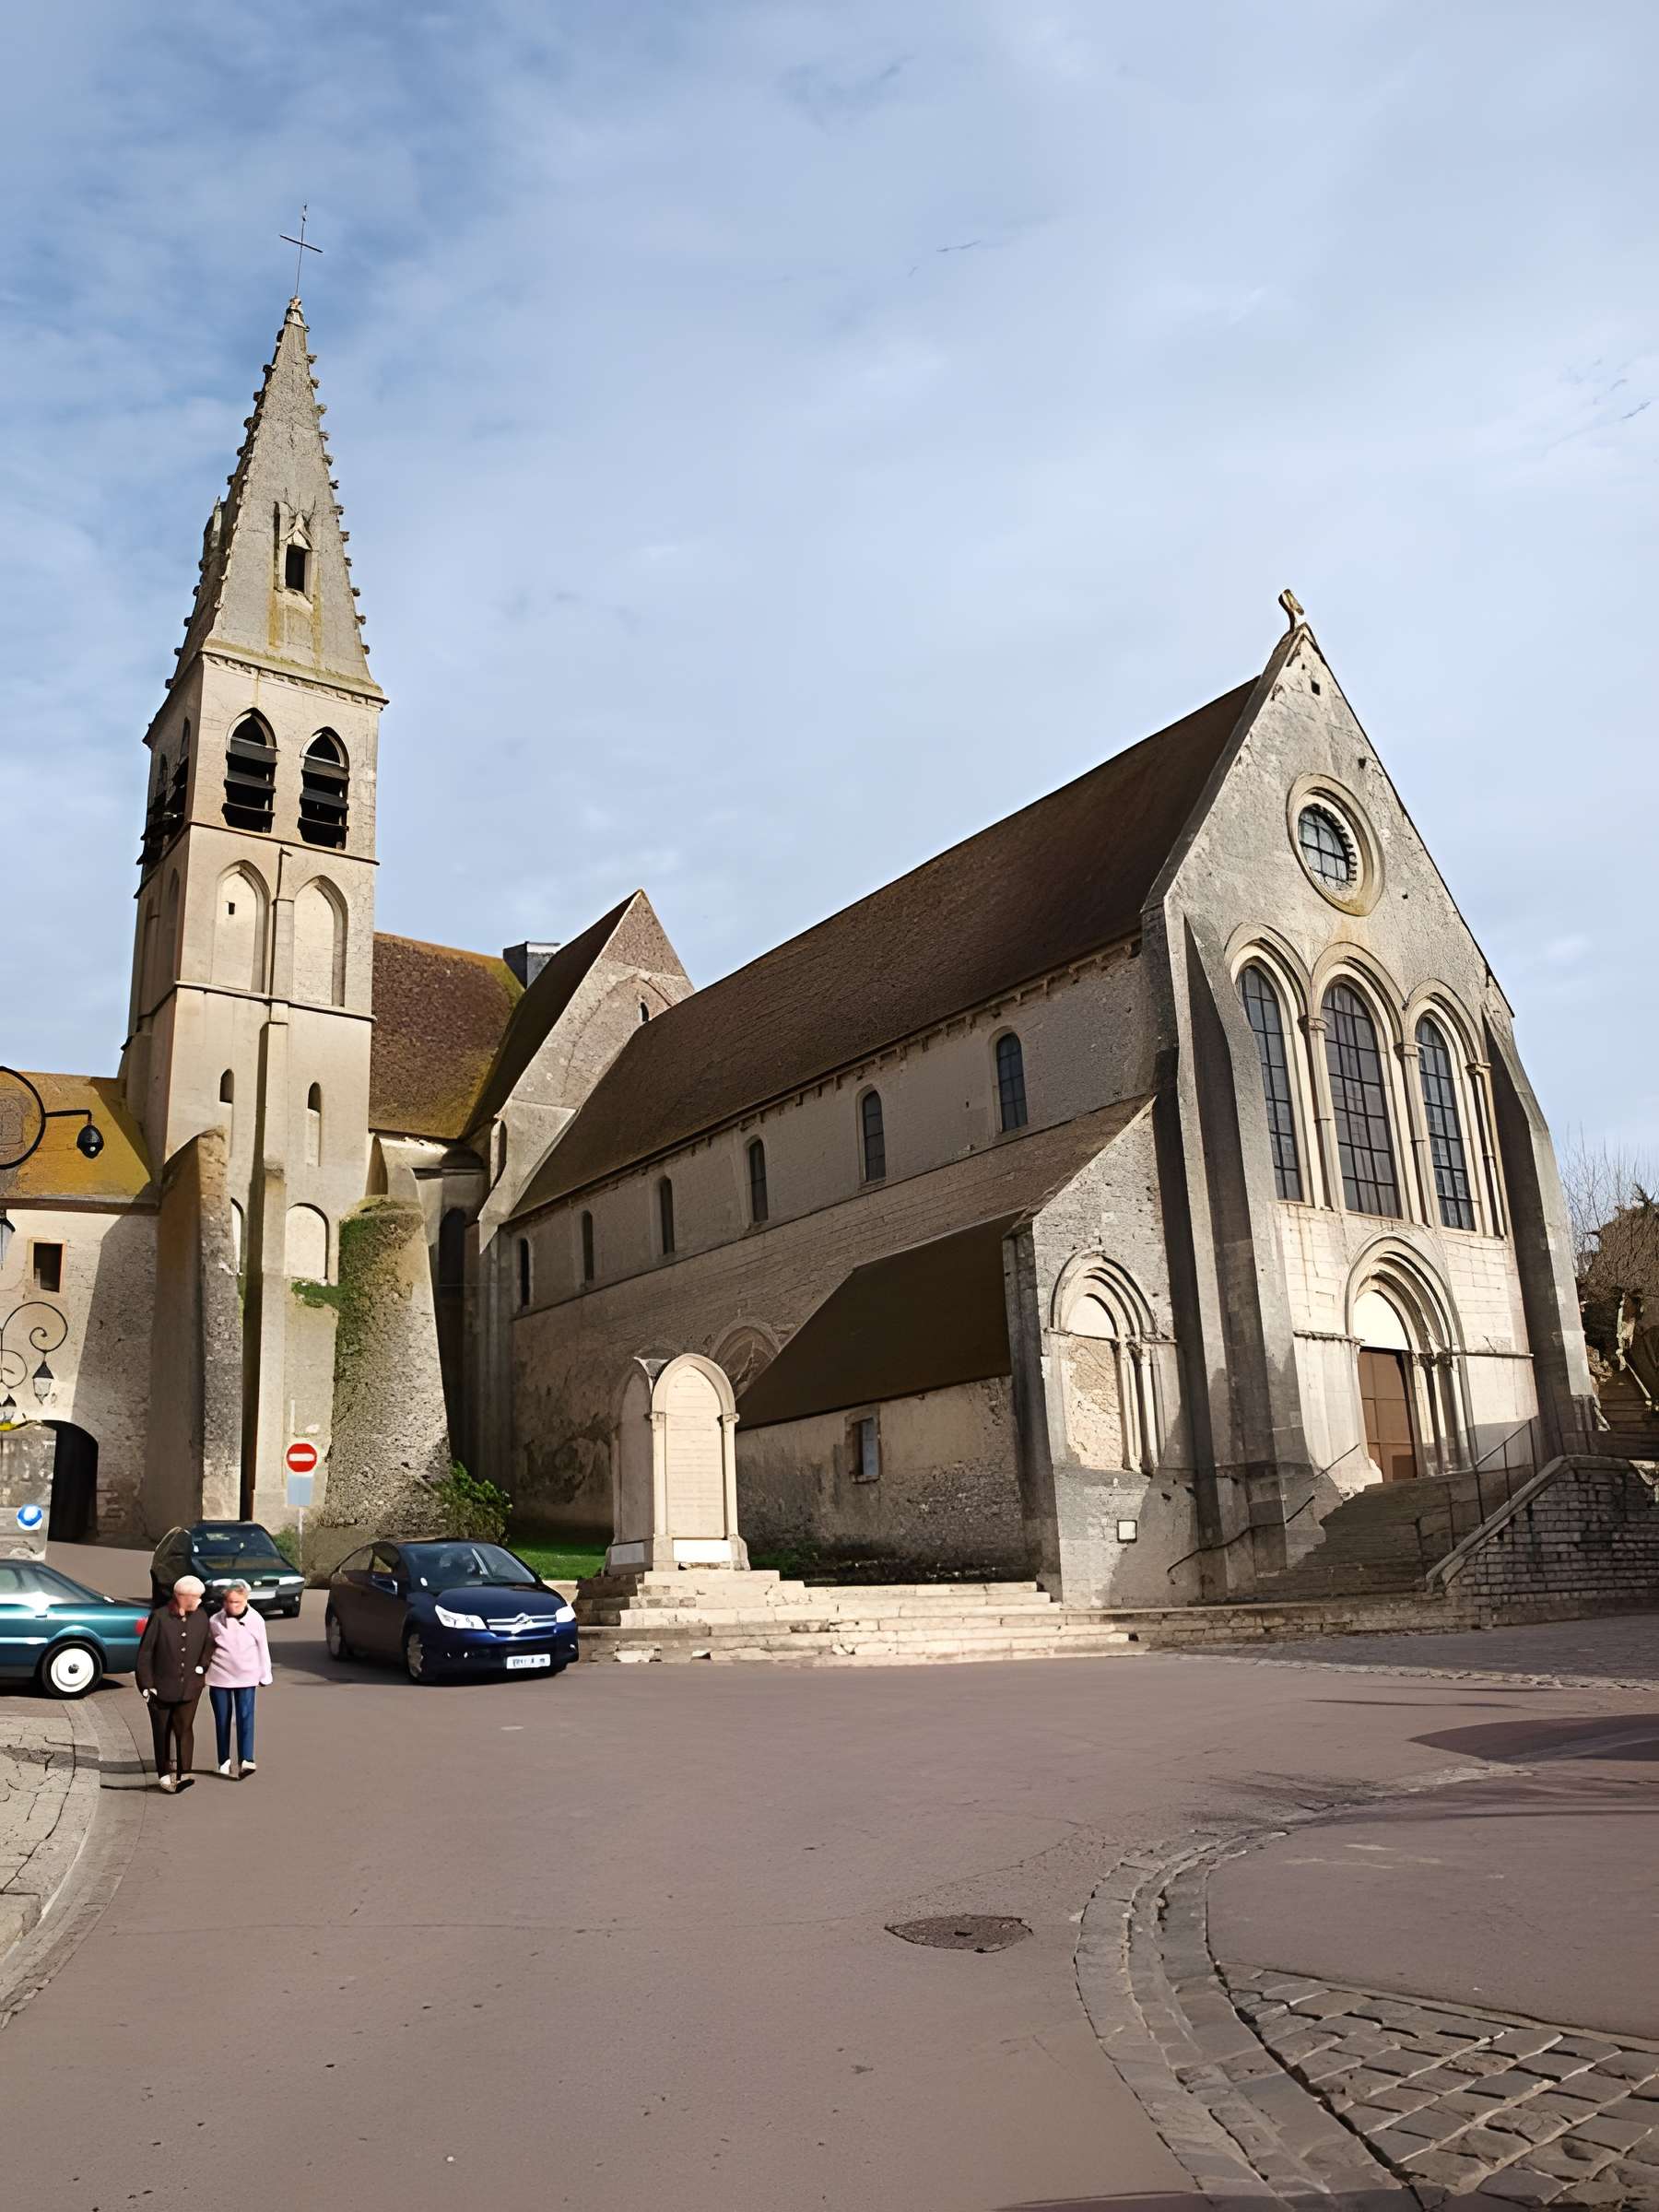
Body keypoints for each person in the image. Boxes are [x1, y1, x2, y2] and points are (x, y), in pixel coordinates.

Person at [135, 1573, 213, 1793]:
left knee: (185, 1729)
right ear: (182, 1597)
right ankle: (164, 1774)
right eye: (196, 1597)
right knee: (162, 1731)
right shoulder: (159, 1617)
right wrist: (146, 1684)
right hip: (160, 1687)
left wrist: (202, 1666)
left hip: (190, 1687)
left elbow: (209, 1643)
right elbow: (145, 1653)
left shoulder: (201, 1616)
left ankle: (185, 1773)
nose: (200, 1601)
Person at [206, 1580, 272, 1778]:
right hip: (220, 1676)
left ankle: (247, 1759)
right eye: (228, 1602)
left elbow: (263, 1648)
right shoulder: (215, 1621)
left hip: (247, 1676)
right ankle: (223, 1760)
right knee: (222, 1719)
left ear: (246, 1600)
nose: (232, 1606)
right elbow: (208, 1647)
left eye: (237, 1602)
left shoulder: (256, 1620)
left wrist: (265, 1674)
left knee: (245, 1717)